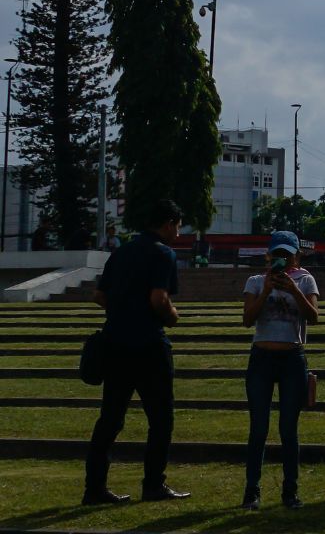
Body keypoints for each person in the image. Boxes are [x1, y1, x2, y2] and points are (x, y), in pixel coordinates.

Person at [83, 199, 187, 505]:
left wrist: (124, 311)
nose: (178, 234)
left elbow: (100, 296)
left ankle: (94, 488)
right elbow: (159, 298)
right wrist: (172, 316)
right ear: (168, 224)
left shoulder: (122, 251)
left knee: (110, 419)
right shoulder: (163, 254)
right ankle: (153, 484)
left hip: (115, 343)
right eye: (178, 227)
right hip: (149, 346)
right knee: (161, 418)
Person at [240, 230, 319, 510]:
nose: (282, 260)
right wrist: (267, 291)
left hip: (292, 357)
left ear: (296, 255)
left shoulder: (306, 279)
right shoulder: (256, 281)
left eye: (287, 254)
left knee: (289, 428)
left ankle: (290, 490)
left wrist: (293, 289)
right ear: (269, 255)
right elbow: (248, 319)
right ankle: (252, 490)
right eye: (277, 254)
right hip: (261, 356)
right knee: (258, 428)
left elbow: (313, 316)